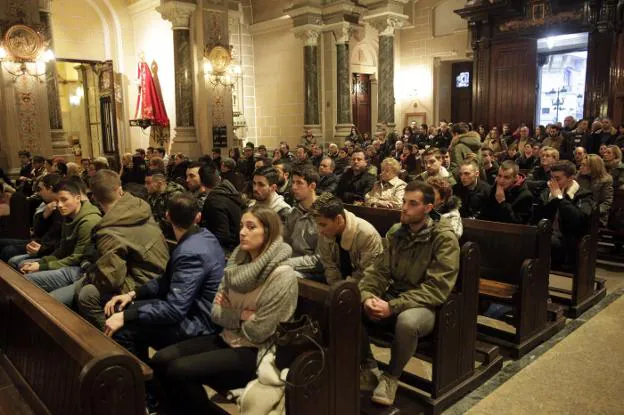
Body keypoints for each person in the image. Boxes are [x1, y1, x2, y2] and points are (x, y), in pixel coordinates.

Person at [150, 206, 299, 414]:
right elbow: (215, 312)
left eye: (251, 227)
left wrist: (231, 311)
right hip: (227, 337)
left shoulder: (282, 276)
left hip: (255, 352)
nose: (242, 232)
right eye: (241, 226)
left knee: (179, 371)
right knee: (160, 360)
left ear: (268, 232)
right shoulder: (235, 265)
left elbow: (260, 331)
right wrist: (242, 315)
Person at [358, 181, 460, 406]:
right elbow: (379, 271)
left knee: (406, 322)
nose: (404, 208)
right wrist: (367, 296)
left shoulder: (444, 238)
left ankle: (391, 377)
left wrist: (391, 307)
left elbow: (436, 288)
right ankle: (368, 367)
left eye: (412, 204)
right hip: (395, 294)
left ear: (428, 208)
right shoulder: (396, 232)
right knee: (349, 305)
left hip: (426, 304)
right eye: (404, 202)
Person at [103, 192, 225, 365]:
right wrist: (133, 294)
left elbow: (175, 310)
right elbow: (166, 279)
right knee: (120, 308)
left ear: (167, 216)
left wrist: (126, 317)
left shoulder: (190, 251)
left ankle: (143, 387)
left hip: (199, 322)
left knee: (123, 329)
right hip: (191, 309)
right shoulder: (205, 236)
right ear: (198, 217)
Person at [67, 170, 170, 328]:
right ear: (120, 189)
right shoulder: (139, 207)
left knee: (87, 294)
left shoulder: (110, 230)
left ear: (94, 198)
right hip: (160, 273)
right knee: (82, 285)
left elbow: (111, 280)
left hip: (146, 283)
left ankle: (113, 340)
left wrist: (90, 274)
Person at [19, 180, 101, 298]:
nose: (59, 205)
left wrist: (42, 266)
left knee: (27, 280)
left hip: (81, 268)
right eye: (57, 201)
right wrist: (40, 262)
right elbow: (61, 250)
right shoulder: (67, 216)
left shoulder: (89, 221)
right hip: (70, 263)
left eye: (64, 200)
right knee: (23, 265)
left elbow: (77, 257)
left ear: (78, 198)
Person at [312, 193, 383, 285]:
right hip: (338, 286)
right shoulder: (325, 233)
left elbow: (367, 273)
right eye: (317, 224)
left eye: (323, 225)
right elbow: (329, 266)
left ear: (338, 219)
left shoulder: (366, 234)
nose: (319, 230)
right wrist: (335, 287)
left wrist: (343, 289)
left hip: (365, 286)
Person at [533, 161, 594, 268]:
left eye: (557, 179)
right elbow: (536, 217)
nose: (553, 183)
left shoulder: (584, 195)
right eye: (552, 178)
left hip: (568, 242)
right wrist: (552, 200)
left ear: (570, 178)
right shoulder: (547, 193)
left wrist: (560, 199)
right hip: (548, 235)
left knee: (542, 241)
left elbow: (579, 221)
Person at [2, 173, 62, 264]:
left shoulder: (60, 207)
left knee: (9, 251)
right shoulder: (47, 203)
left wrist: (40, 247)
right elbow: (38, 230)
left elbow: (56, 237)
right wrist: (44, 216)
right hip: (40, 240)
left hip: (46, 245)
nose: (38, 192)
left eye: (40, 189)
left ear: (50, 188)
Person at [283, 164, 323, 277]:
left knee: (281, 275)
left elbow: (320, 259)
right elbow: (285, 242)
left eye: (299, 183)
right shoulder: (294, 213)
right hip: (291, 263)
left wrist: (286, 263)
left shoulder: (323, 215)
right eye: (293, 182)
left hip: (314, 271)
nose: (294, 187)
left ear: (312, 186)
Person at [200, 165, 246, 256]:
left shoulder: (214, 200)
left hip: (228, 251)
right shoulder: (229, 191)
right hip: (237, 245)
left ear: (202, 184)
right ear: (220, 178)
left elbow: (222, 233)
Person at [145, 171, 185, 239]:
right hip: (158, 233)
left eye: (148, 183)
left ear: (159, 183)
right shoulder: (153, 194)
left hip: (172, 236)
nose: (145, 186)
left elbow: (176, 222)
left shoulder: (175, 196)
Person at [578, 154, 613, 227]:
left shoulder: (606, 180)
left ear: (593, 166)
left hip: (597, 216)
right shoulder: (579, 176)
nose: (580, 167)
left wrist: (592, 212)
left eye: (584, 165)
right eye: (581, 164)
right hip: (579, 211)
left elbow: (607, 203)